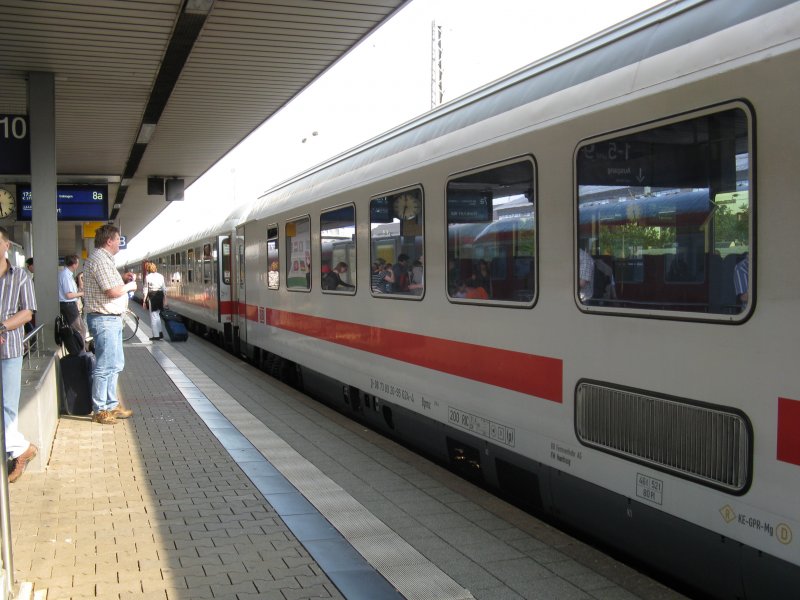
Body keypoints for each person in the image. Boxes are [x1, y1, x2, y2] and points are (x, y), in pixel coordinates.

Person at [83, 224, 137, 425]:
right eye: (117, 239)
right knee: (105, 366)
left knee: (114, 364)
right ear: (109, 241)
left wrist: (122, 279)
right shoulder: (100, 259)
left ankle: (111, 405)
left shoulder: (103, 260)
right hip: (104, 319)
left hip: (110, 319)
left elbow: (108, 285)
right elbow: (111, 291)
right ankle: (100, 410)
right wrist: (129, 286)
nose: (119, 243)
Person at [0, 228, 38, 483]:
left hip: (9, 350)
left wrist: (2, 327)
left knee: (7, 404)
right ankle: (22, 448)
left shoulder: (21, 276)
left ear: (7, 246)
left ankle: (18, 450)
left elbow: (28, 312)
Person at [58, 254, 86, 349]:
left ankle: (79, 351)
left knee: (79, 329)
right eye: (77, 263)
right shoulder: (65, 276)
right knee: (80, 330)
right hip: (68, 306)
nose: (78, 265)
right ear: (74, 264)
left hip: (68, 305)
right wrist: (82, 293)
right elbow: (69, 295)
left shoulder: (67, 275)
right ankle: (80, 352)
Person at [143, 261, 167, 341]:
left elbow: (145, 289)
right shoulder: (161, 276)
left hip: (152, 296)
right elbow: (164, 288)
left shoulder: (148, 277)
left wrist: (144, 301)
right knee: (157, 315)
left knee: (153, 316)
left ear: (148, 269)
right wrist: (165, 299)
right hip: (160, 295)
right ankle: (160, 333)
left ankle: (156, 335)